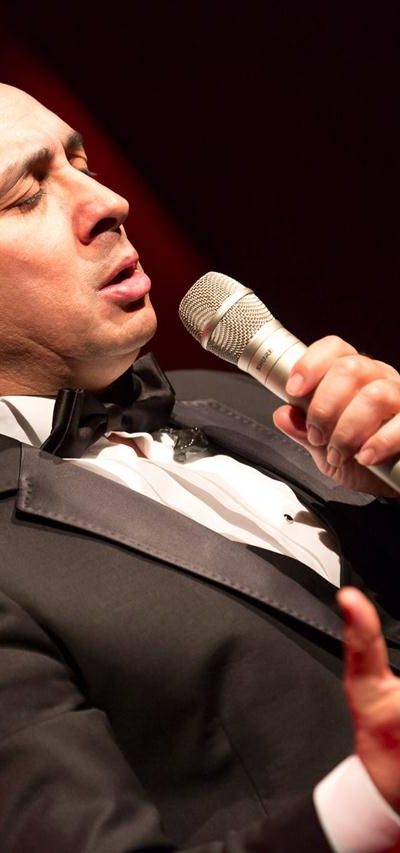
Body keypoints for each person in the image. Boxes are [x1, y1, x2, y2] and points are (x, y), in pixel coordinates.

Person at [0, 82, 400, 853]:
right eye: (27, 193)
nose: (108, 201)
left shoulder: (241, 398)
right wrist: (368, 806)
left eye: (82, 162)